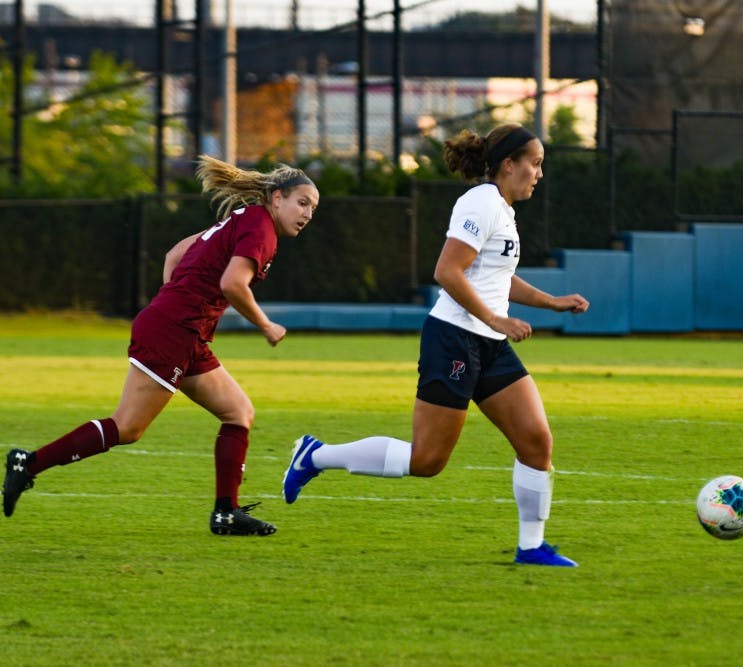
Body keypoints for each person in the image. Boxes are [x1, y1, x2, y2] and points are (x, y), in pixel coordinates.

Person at [282, 124, 589, 566]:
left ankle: (532, 546)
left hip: (489, 342)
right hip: (454, 340)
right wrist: (495, 317)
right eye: (535, 164)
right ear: (508, 165)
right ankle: (316, 455)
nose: (539, 174)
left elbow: (496, 277)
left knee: (536, 441)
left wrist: (550, 302)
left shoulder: (503, 210)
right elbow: (447, 270)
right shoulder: (480, 202)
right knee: (427, 460)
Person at [3, 155, 320, 536]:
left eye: (313, 208)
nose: (307, 214)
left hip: (183, 330)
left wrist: (175, 302)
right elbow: (233, 284)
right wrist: (265, 324)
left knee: (238, 412)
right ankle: (28, 462)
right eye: (302, 203)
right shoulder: (261, 229)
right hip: (175, 331)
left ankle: (226, 513)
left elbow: (175, 255)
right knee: (128, 427)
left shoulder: (244, 217)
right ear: (277, 197)